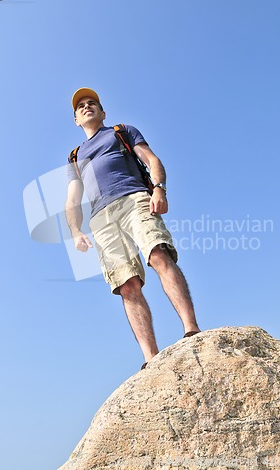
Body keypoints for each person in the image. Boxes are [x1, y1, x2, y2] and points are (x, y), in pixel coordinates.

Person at [65, 87, 201, 369]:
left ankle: (191, 330)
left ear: (103, 112)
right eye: (81, 107)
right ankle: (150, 358)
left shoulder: (121, 131)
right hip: (101, 219)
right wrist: (75, 231)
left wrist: (159, 189)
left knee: (158, 255)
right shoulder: (75, 157)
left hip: (134, 199)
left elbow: (151, 160)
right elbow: (72, 199)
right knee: (127, 285)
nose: (86, 107)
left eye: (92, 103)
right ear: (76, 120)